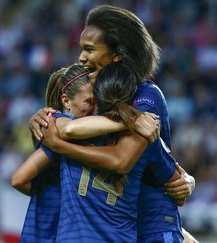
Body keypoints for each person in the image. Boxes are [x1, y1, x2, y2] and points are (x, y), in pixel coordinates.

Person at [28, 5, 197, 242]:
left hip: (152, 226)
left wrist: (60, 143)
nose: (81, 57)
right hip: (115, 226)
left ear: (117, 54)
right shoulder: (95, 101)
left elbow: (122, 160)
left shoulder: (146, 96)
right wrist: (42, 118)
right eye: (81, 49)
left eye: (89, 49)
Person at [12, 63, 159, 242]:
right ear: (66, 101)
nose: (94, 109)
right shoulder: (59, 125)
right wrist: (132, 120)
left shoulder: (92, 134)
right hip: (46, 232)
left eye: (97, 102)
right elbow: (18, 179)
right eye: (89, 102)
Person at [40, 62, 185, 242]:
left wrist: (60, 146)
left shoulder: (66, 130)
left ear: (99, 101)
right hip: (141, 230)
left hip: (137, 229)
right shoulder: (146, 132)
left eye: (92, 101)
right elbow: (178, 187)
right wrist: (131, 119)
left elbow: (20, 180)